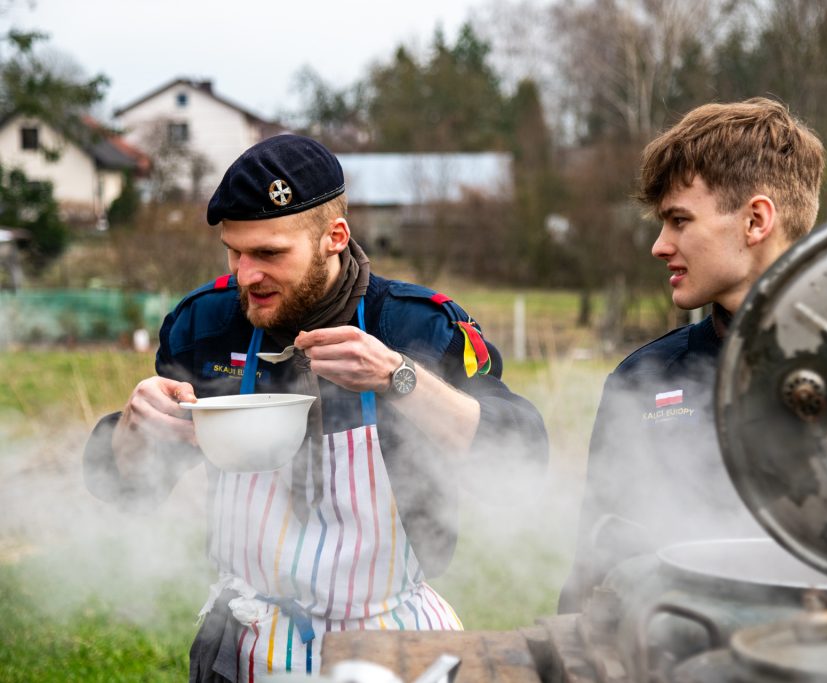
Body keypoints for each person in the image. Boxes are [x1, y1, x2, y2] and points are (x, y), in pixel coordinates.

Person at [83, 134, 549, 681]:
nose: (246, 275)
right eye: (235, 251)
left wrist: (399, 378)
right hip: (243, 645)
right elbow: (125, 488)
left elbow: (522, 454)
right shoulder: (204, 326)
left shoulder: (419, 325)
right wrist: (135, 430)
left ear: (335, 236)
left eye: (269, 254)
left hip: (392, 640)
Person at [558, 98, 825, 613]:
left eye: (680, 220)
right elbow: (593, 567)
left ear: (755, 221)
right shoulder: (642, 380)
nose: (660, 245)